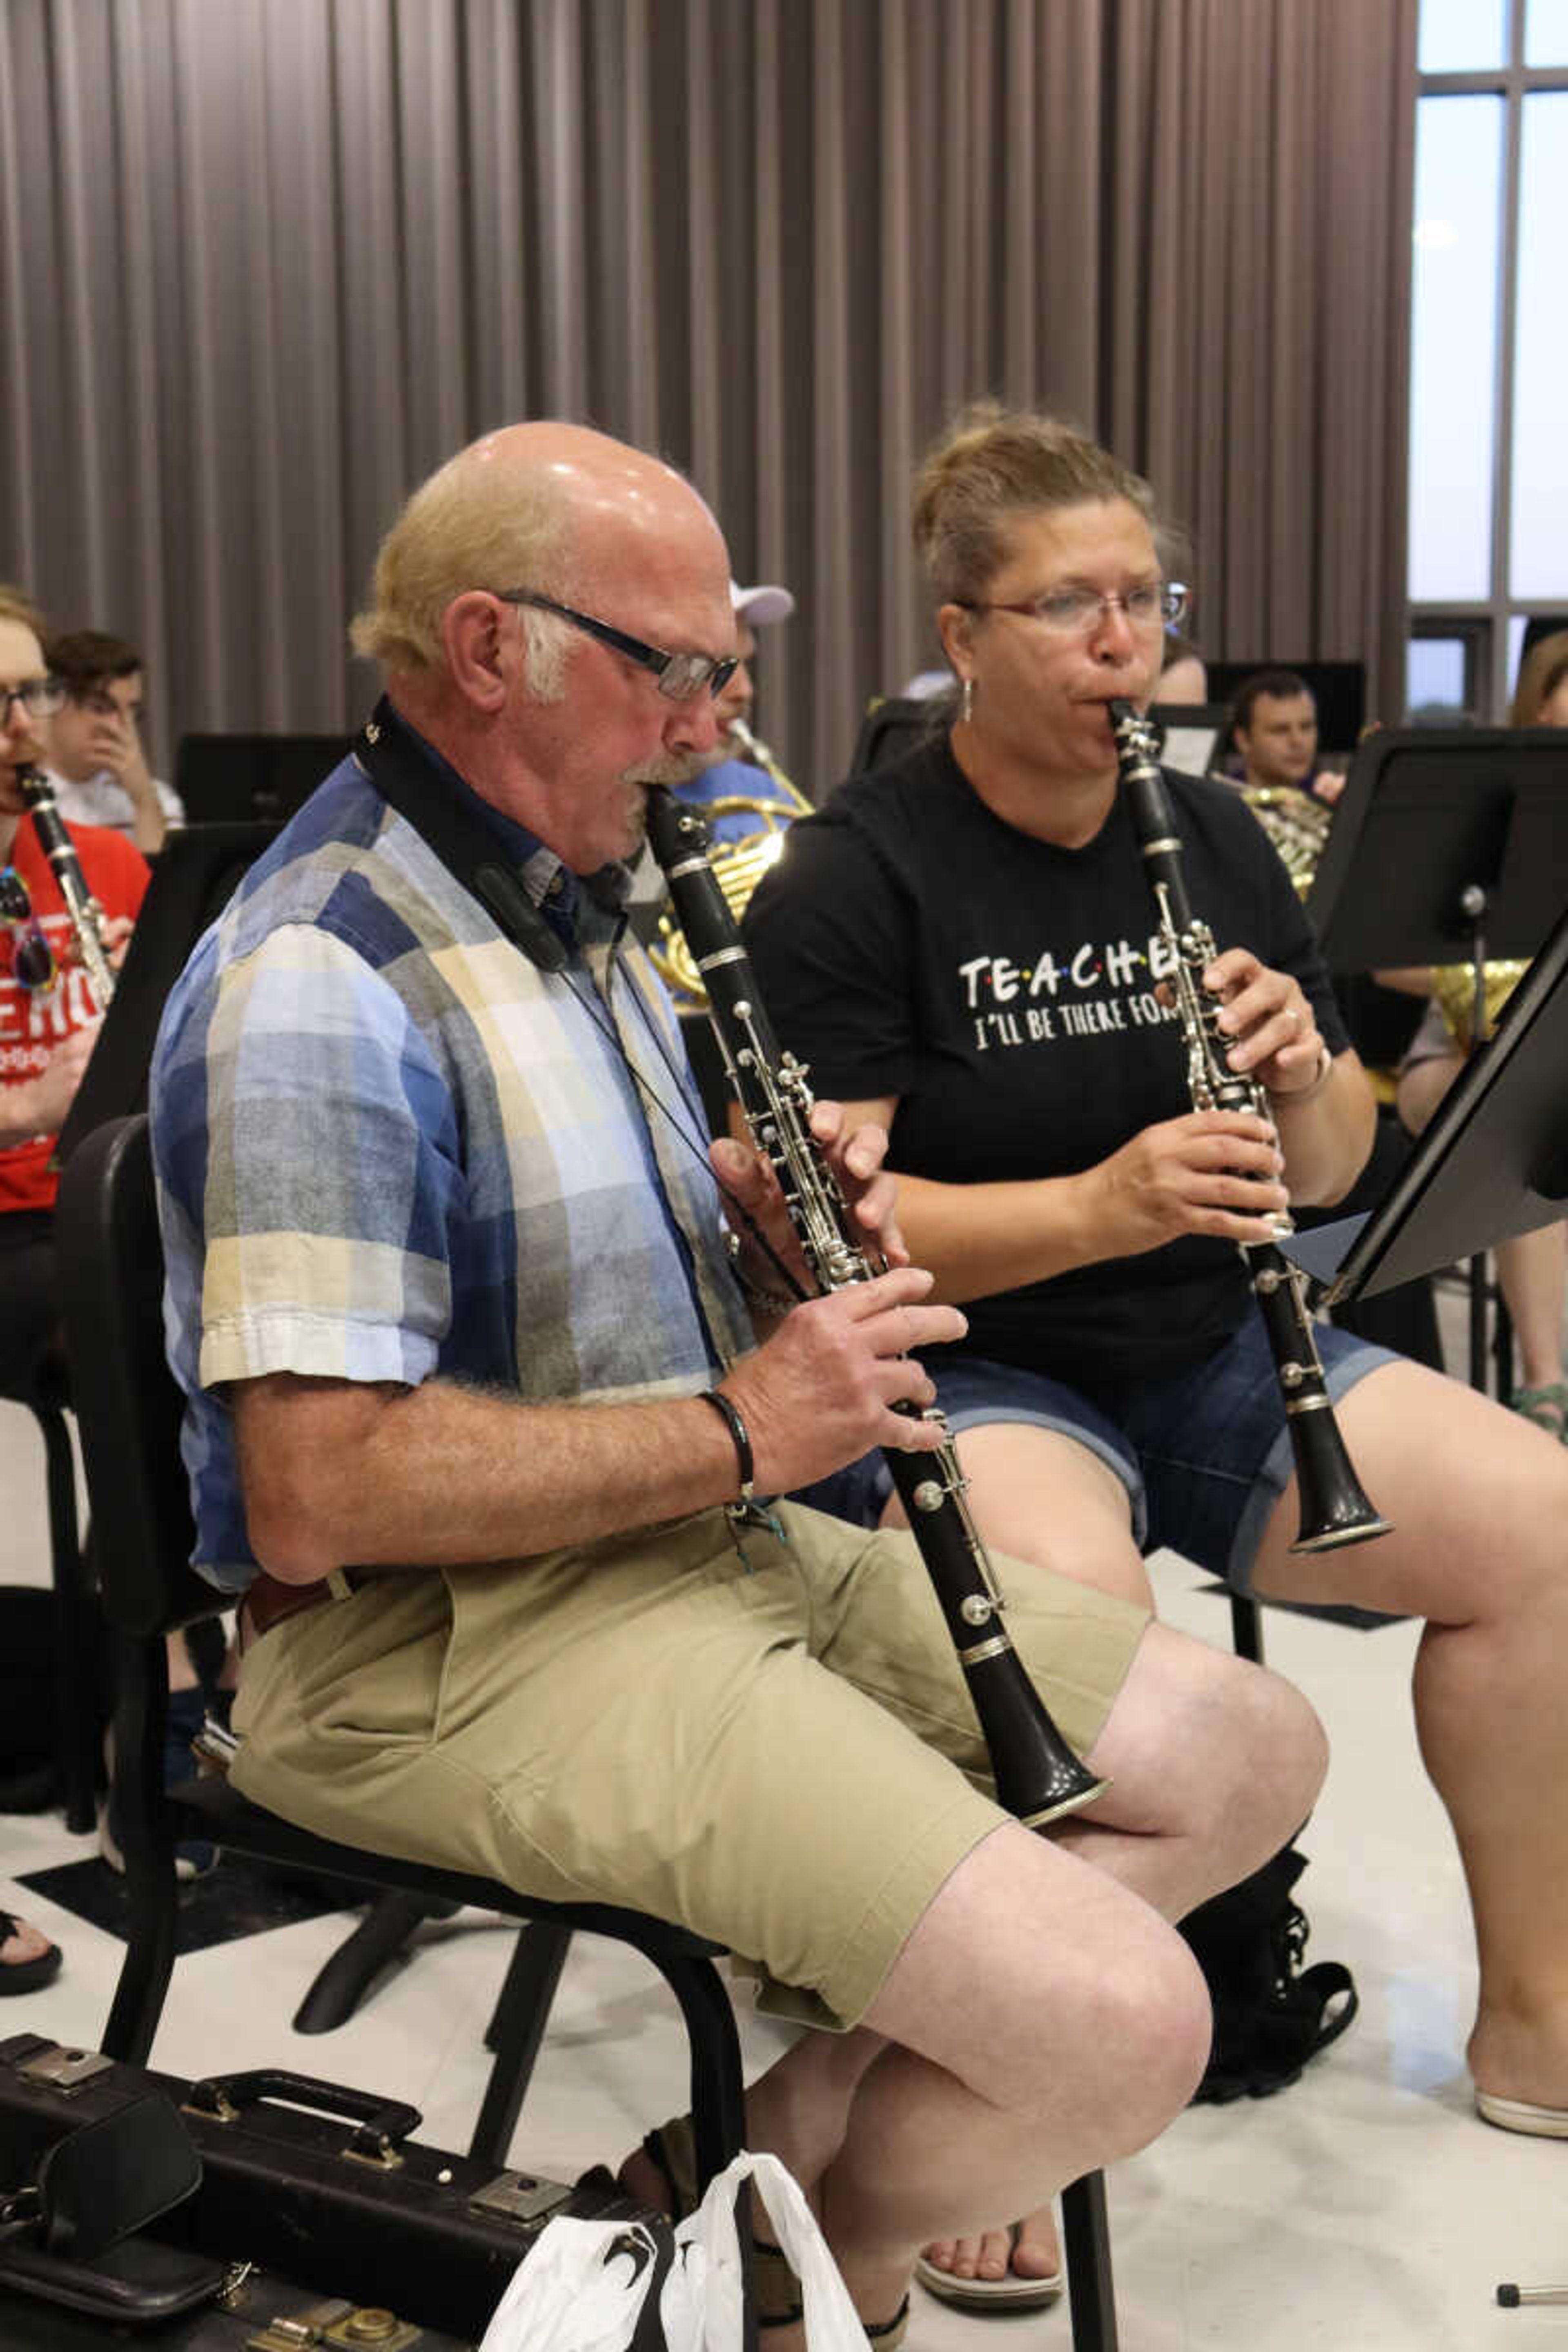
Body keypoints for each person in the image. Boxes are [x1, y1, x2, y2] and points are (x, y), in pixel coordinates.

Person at [148, 419, 1326, 2349]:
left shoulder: (579, 894)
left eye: (732, 660)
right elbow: (317, 1490)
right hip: (426, 1648)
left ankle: (733, 2176)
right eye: (677, 665)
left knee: (1251, 1752)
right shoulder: (329, 971)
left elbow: (572, 1273)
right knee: (1121, 2022)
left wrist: (755, 1217)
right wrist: (749, 1423)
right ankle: (794, 2284)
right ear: (485, 648)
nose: (723, 714)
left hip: (685, 1548)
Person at [742, 403, 1568, 2304]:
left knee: (1536, 1521)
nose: (1127, 645)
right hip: (976, 1362)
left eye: (1144, 598)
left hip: (1210, 1345)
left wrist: (1301, 1074)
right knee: (1077, 1618)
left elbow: (1341, 1171)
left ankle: (1531, 2019)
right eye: (1067, 608)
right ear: (960, 635)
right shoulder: (859, 873)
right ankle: (993, 2070)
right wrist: (1096, 1204)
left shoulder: (1202, 833)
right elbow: (823, 1219)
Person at [0, 586, 151, 1988]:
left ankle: (182, 1706)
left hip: (90, 1217)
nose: (21, 728)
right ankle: (147, 1723)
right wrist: (25, 1103)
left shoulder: (98, 863)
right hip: (8, 1235)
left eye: (33, 695)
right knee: (133, 1322)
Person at [1394, 624, 1568, 1438]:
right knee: (1527, 1127)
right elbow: (1387, 964)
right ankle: (1546, 1391)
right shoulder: (1485, 820)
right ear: (1534, 716)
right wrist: (1493, 975)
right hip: (1456, 1059)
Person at [39, 629, 183, 858]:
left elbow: (167, 888)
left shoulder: (158, 799)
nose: (121, 728)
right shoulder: (20, 798)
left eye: (131, 711)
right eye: (101, 708)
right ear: (53, 702)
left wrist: (144, 801)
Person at [1228, 666, 1345, 804]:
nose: (1297, 741)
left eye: (1306, 727)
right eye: (1280, 730)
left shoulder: (1328, 797)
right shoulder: (1222, 802)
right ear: (1243, 740)